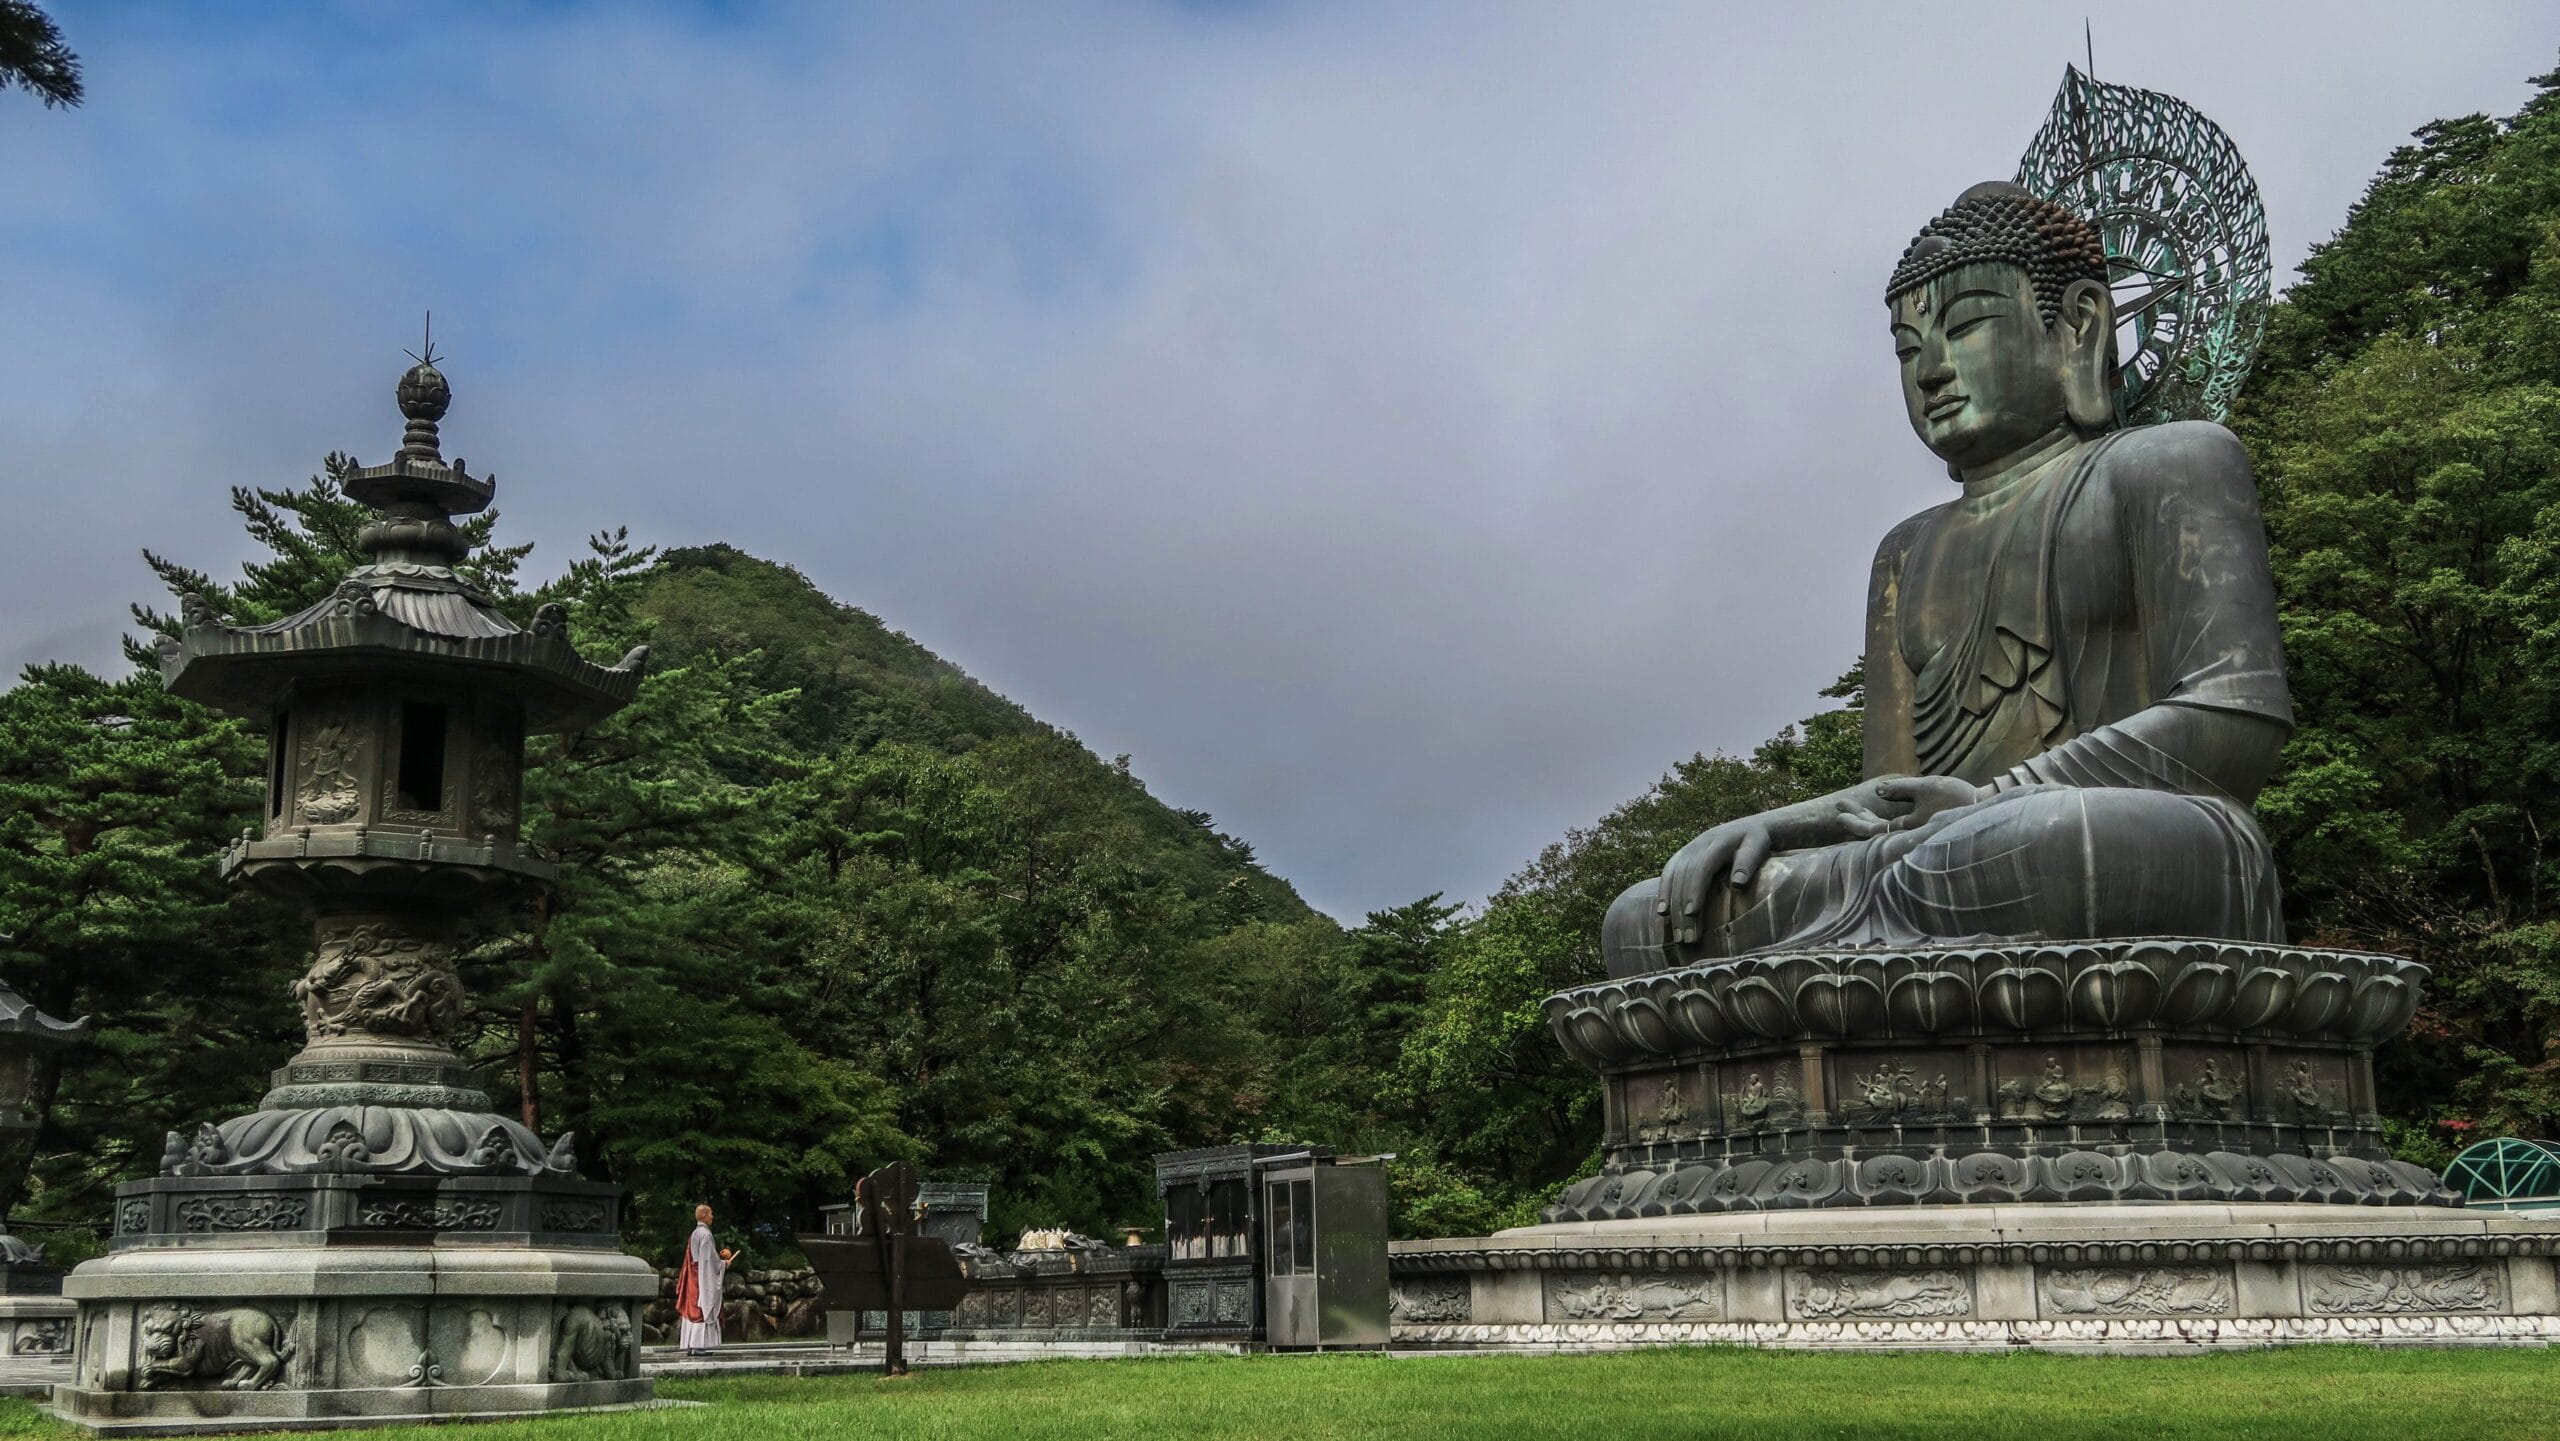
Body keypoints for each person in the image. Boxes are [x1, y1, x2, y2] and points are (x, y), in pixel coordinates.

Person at [1602, 182, 2291, 973]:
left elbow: (2236, 719)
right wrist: (1787, 826)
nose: (1931, 369)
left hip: (2115, 837)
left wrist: (1997, 801)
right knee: (1648, 916)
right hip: (1937, 859)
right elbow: (1892, 799)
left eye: (1965, 327)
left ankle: (1872, 958)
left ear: (2080, 325)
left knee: (2052, 844)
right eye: (1906, 348)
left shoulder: (2169, 463)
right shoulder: (1907, 552)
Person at [673, 1203, 735, 1357]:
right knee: (702, 1307)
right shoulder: (706, 1235)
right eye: (711, 1213)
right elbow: (708, 1261)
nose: (712, 1216)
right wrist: (723, 1264)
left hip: (693, 1275)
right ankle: (698, 1345)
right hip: (701, 1276)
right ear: (704, 1216)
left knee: (693, 1306)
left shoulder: (695, 1233)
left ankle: (691, 1344)